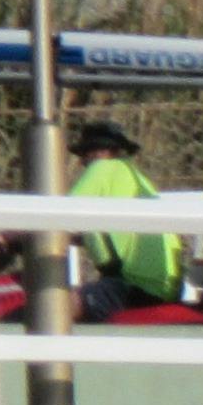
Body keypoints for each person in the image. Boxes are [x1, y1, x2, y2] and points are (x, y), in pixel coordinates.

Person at [65, 118, 180, 320]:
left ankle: (32, 349)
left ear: (103, 152)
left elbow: (59, 216)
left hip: (134, 286)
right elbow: (108, 236)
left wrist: (8, 239)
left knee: (57, 305)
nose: (83, 161)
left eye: (86, 153)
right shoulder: (136, 179)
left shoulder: (102, 168)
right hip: (162, 287)